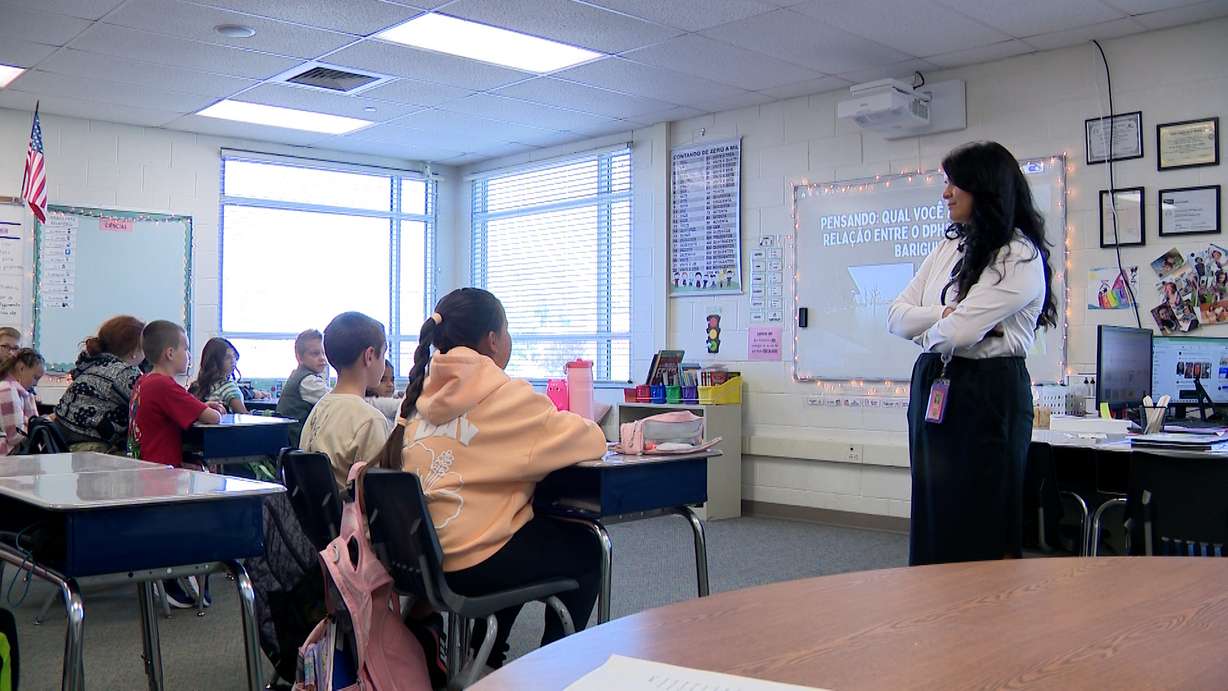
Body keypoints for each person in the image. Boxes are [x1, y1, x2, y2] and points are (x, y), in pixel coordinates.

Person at [373, 288, 606, 670]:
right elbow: (590, 438)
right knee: (587, 548)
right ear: (493, 340)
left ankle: (483, 660)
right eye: (507, 330)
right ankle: (557, 667)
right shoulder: (507, 396)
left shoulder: (415, 396)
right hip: (470, 563)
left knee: (521, 531)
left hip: (419, 562)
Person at [887, 141, 1057, 567]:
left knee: (981, 517)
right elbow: (896, 317)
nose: (946, 194)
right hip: (934, 384)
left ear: (985, 188)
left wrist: (943, 327)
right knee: (934, 512)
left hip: (988, 392)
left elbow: (958, 333)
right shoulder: (950, 246)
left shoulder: (1016, 254)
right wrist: (944, 315)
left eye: (954, 183)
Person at [300, 313, 392, 488]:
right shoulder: (370, 420)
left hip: (317, 515)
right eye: (384, 353)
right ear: (370, 356)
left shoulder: (319, 408)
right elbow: (379, 493)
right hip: (351, 514)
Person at [128, 320, 225, 468]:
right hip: (160, 473)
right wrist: (207, 409)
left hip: (144, 465)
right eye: (185, 349)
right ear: (170, 353)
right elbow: (214, 418)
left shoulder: (143, 381)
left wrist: (200, 406)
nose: (189, 355)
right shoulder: (164, 385)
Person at [54, 316, 145, 452]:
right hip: (92, 448)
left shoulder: (91, 363)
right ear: (133, 351)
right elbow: (148, 406)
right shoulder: (124, 372)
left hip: (67, 441)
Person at [276, 329, 329, 447]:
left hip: (291, 440)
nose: (322, 358)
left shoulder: (300, 374)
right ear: (299, 358)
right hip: (298, 442)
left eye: (324, 353)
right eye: (315, 354)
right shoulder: (308, 381)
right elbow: (336, 401)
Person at [0, 349, 44, 455]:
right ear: (21, 368)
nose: (35, 384)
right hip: (7, 458)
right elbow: (14, 436)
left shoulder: (18, 392)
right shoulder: (7, 390)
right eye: (35, 377)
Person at [189, 337, 247, 414]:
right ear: (214, 362)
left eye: (234, 356)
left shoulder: (196, 386)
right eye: (228, 357)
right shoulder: (229, 388)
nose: (233, 361)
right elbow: (243, 415)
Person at [365, 359, 401, 423]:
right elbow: (401, 405)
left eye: (392, 380)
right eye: (383, 380)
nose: (390, 384)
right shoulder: (369, 401)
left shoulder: (386, 396)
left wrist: (399, 394)